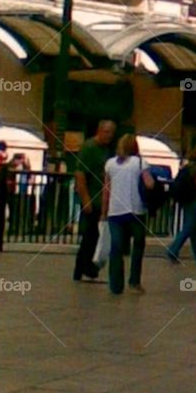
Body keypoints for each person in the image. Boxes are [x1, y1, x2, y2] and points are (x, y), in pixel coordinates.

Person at [102, 133, 153, 295]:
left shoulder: (110, 164)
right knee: (138, 245)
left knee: (116, 247)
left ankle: (116, 285)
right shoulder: (140, 163)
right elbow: (149, 184)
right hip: (136, 210)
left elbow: (106, 190)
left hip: (114, 211)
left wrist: (104, 212)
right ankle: (134, 281)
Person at [72, 120, 116, 282]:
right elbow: (80, 174)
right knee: (90, 235)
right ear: (99, 131)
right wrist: (86, 199)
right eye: (106, 132)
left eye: (111, 133)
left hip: (101, 199)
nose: (109, 136)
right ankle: (82, 267)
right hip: (92, 198)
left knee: (95, 235)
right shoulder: (89, 148)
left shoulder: (108, 150)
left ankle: (86, 267)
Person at [166, 148, 196, 266]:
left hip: (185, 200)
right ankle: (173, 250)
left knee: (193, 230)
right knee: (190, 228)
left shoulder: (186, 168)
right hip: (194, 200)